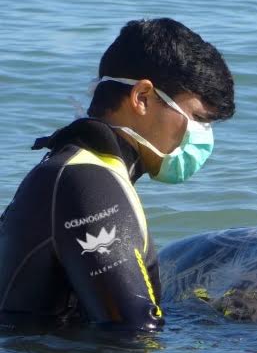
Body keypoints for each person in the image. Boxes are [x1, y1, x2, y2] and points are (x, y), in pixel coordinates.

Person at [0, 18, 235, 331]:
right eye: (197, 118)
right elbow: (132, 336)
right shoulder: (88, 182)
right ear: (141, 98)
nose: (202, 136)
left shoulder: (79, 167)